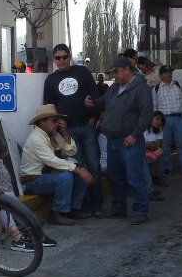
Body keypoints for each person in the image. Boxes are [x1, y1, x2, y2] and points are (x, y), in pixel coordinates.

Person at [43, 44, 103, 214]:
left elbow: (96, 97)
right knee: (78, 167)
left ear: (70, 57)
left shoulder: (82, 72)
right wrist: (57, 127)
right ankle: (83, 206)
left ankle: (97, 205)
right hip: (67, 132)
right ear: (54, 60)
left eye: (65, 57)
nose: (62, 60)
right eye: (58, 57)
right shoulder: (51, 80)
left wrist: (93, 119)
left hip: (87, 127)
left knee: (94, 165)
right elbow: (49, 106)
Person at [96, 56, 153, 224]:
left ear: (127, 70)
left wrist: (135, 135)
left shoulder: (141, 88)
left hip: (129, 141)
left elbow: (146, 114)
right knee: (116, 177)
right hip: (113, 139)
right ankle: (119, 208)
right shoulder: (114, 87)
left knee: (134, 177)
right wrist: (91, 102)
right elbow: (102, 102)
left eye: (116, 71)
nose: (114, 75)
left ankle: (141, 211)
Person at [19, 104, 94, 226]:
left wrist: (65, 132)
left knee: (78, 175)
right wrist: (79, 170)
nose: (57, 124)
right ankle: (57, 213)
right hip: (32, 181)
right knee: (66, 177)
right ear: (41, 122)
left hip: (46, 175)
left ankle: (73, 208)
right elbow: (52, 160)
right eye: (53, 120)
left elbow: (71, 151)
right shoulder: (36, 138)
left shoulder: (52, 134)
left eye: (57, 120)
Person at [151, 64, 182, 177]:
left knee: (181, 144)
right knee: (165, 145)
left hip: (178, 118)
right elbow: (155, 106)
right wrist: (156, 121)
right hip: (164, 119)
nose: (169, 74)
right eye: (166, 73)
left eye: (170, 72)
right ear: (161, 75)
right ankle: (167, 168)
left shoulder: (178, 85)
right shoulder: (156, 89)